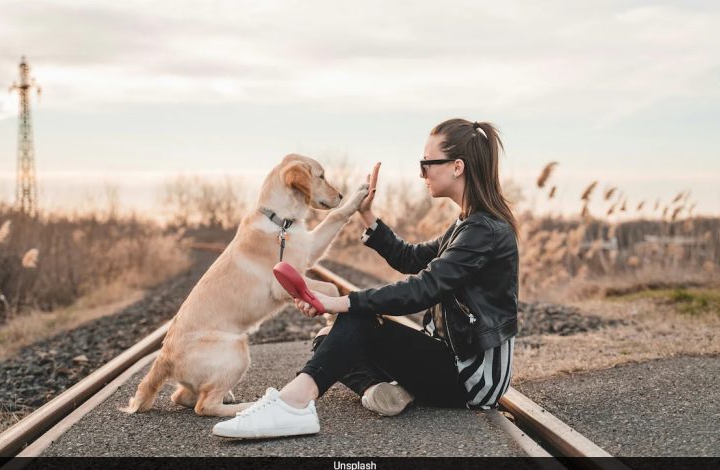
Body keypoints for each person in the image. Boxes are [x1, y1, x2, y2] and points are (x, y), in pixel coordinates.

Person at [213, 118, 519, 439]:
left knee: (354, 322)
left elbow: (423, 289)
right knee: (328, 340)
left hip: (471, 377)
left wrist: (342, 302)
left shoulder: (483, 231)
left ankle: (293, 404)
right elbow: (410, 258)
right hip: (449, 359)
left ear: (457, 167)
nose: (421, 173)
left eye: (426, 163)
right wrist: (367, 215)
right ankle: (381, 390)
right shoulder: (468, 225)